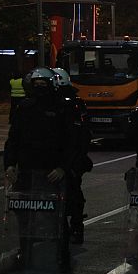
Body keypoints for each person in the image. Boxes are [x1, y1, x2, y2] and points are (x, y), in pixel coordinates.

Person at [3, 67, 80, 271]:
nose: (39, 88)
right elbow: (14, 139)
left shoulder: (63, 108)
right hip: (27, 170)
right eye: (35, 84)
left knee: (56, 215)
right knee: (25, 215)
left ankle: (61, 256)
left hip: (51, 172)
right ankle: (24, 254)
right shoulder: (24, 107)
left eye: (42, 84)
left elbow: (72, 141)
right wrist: (10, 164)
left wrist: (63, 167)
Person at [52, 68, 93, 245]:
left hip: (72, 159)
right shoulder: (51, 102)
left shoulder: (73, 104)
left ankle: (75, 227)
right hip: (58, 158)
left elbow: (80, 135)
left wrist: (73, 162)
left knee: (73, 194)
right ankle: (66, 227)